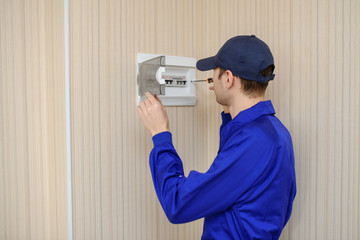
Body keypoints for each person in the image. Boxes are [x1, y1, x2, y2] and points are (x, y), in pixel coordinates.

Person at [137, 35, 296, 239]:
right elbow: (238, 185)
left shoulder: (253, 142)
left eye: (216, 72)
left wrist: (160, 135)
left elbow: (177, 204)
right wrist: (227, 106)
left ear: (228, 78)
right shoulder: (274, 131)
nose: (211, 77)